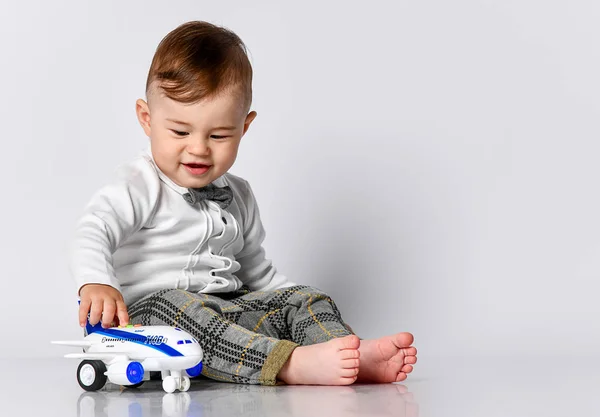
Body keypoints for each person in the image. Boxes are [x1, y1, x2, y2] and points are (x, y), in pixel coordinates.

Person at [70, 20, 417, 386]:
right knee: (178, 307)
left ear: (244, 127)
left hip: (227, 312)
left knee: (305, 298)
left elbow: (259, 276)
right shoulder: (139, 183)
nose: (199, 148)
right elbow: (93, 229)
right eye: (180, 131)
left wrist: (288, 300)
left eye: (219, 134)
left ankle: (347, 352)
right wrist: (97, 283)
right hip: (148, 321)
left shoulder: (239, 194)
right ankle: (290, 365)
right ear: (147, 118)